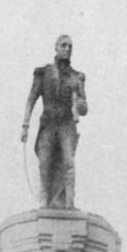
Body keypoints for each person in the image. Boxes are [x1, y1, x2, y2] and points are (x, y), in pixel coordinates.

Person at [21, 34, 88, 209]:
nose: (67, 49)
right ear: (56, 47)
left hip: (67, 125)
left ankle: (68, 204)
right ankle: (44, 202)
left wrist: (80, 105)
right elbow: (31, 99)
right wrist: (25, 125)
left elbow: (84, 108)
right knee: (45, 162)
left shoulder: (77, 77)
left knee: (68, 164)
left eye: (70, 47)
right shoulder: (43, 73)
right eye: (64, 45)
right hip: (48, 124)